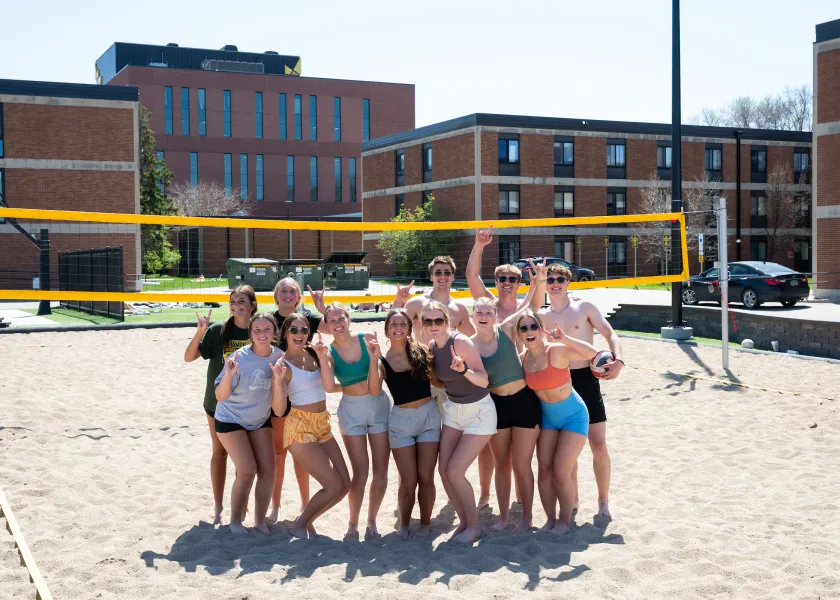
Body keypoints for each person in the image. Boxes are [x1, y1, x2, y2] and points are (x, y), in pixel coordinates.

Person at [393, 257, 493, 510]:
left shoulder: (459, 308)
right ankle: (420, 490)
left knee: (473, 437)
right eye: (438, 272)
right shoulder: (417, 303)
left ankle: (481, 493)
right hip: (423, 377)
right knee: (427, 437)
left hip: (452, 380)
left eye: (447, 272)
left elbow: (477, 336)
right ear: (431, 275)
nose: (442, 276)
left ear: (452, 275)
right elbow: (394, 324)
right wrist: (398, 300)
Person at [538, 263, 625, 520]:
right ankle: (573, 500)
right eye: (550, 279)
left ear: (568, 283)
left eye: (560, 279)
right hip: (560, 381)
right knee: (569, 450)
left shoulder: (584, 307)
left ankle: (603, 501)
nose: (555, 283)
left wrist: (618, 360)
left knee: (598, 445)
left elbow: (610, 334)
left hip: (586, 378)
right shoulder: (541, 317)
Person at [471, 260, 546, 533]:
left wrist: (539, 280)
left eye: (487, 312)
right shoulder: (468, 344)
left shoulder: (506, 328)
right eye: (478, 312)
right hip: (496, 405)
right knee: (501, 464)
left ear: (494, 315)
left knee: (522, 464)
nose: (483, 316)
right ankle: (503, 517)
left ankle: (526, 518)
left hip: (524, 402)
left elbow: (532, 308)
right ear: (473, 316)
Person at [517, 310, 597, 535]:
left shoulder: (556, 350)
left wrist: (565, 339)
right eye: (523, 328)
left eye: (533, 326)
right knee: (544, 470)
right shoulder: (522, 359)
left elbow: (593, 353)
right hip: (548, 418)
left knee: (562, 470)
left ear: (541, 328)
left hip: (574, 415)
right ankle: (550, 520)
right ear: (519, 334)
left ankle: (564, 521)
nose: (529, 331)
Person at [272, 313, 351, 540]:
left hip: (322, 424)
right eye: (294, 330)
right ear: (285, 333)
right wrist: (277, 381)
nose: (299, 334)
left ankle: (307, 521)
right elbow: (278, 410)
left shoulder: (314, 354)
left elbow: (330, 385)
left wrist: (356, 386)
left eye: (304, 330)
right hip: (300, 426)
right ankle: (301, 525)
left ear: (310, 333)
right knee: (333, 485)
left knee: (345, 484)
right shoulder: (282, 364)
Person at [184, 285, 257, 525]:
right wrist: (200, 332)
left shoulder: (260, 330)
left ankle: (242, 505)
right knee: (220, 453)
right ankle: (218, 506)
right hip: (217, 402)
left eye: (242, 300)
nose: (237, 304)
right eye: (233, 300)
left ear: (252, 304)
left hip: (248, 405)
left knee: (243, 459)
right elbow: (189, 357)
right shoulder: (218, 330)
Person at [320, 302, 391, 541]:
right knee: (360, 471)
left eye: (341, 318)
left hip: (378, 405)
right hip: (351, 411)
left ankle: (371, 520)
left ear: (349, 319)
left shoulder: (368, 337)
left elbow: (376, 384)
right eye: (332, 321)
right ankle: (353, 522)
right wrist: (349, 385)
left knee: (381, 471)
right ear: (327, 326)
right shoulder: (328, 352)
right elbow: (329, 387)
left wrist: (373, 360)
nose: (338, 324)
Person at [423, 301, 493, 544]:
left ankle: (474, 526)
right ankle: (463, 522)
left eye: (438, 321)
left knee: (455, 471)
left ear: (447, 322)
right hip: (454, 409)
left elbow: (484, 380)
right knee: (443, 471)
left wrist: (463, 371)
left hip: (479, 411)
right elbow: (442, 383)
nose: (433, 325)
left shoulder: (460, 342)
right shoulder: (431, 346)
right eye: (428, 321)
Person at [368, 308, 440, 539]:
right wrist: (372, 358)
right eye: (393, 324)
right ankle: (405, 525)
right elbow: (374, 390)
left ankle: (426, 525)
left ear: (409, 329)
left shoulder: (422, 351)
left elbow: (440, 381)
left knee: (426, 477)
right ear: (387, 330)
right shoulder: (382, 361)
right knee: (408, 481)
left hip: (429, 416)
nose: (398, 328)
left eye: (402, 324)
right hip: (401, 423)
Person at [213, 312, 284, 534]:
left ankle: (259, 520)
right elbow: (220, 396)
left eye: (267, 329)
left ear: (274, 333)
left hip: (259, 420)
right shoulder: (239, 357)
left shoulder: (280, 357)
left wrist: (279, 381)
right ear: (251, 334)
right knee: (247, 470)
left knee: (269, 471)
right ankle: (235, 521)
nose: (262, 334)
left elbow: (279, 410)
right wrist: (229, 374)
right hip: (230, 418)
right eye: (257, 330)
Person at [266, 277, 329, 522]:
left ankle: (305, 503)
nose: (288, 294)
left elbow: (336, 326)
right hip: (279, 394)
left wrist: (322, 308)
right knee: (278, 454)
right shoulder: (269, 320)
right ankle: (276, 505)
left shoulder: (309, 319)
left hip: (303, 397)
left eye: (292, 290)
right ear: (276, 294)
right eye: (283, 290)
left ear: (299, 295)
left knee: (301, 458)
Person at [466, 225, 544, 321]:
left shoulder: (526, 305)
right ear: (496, 283)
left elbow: (537, 302)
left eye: (512, 279)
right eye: (502, 279)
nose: (507, 282)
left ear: (518, 284)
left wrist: (538, 282)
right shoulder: (489, 305)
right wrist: (478, 246)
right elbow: (471, 276)